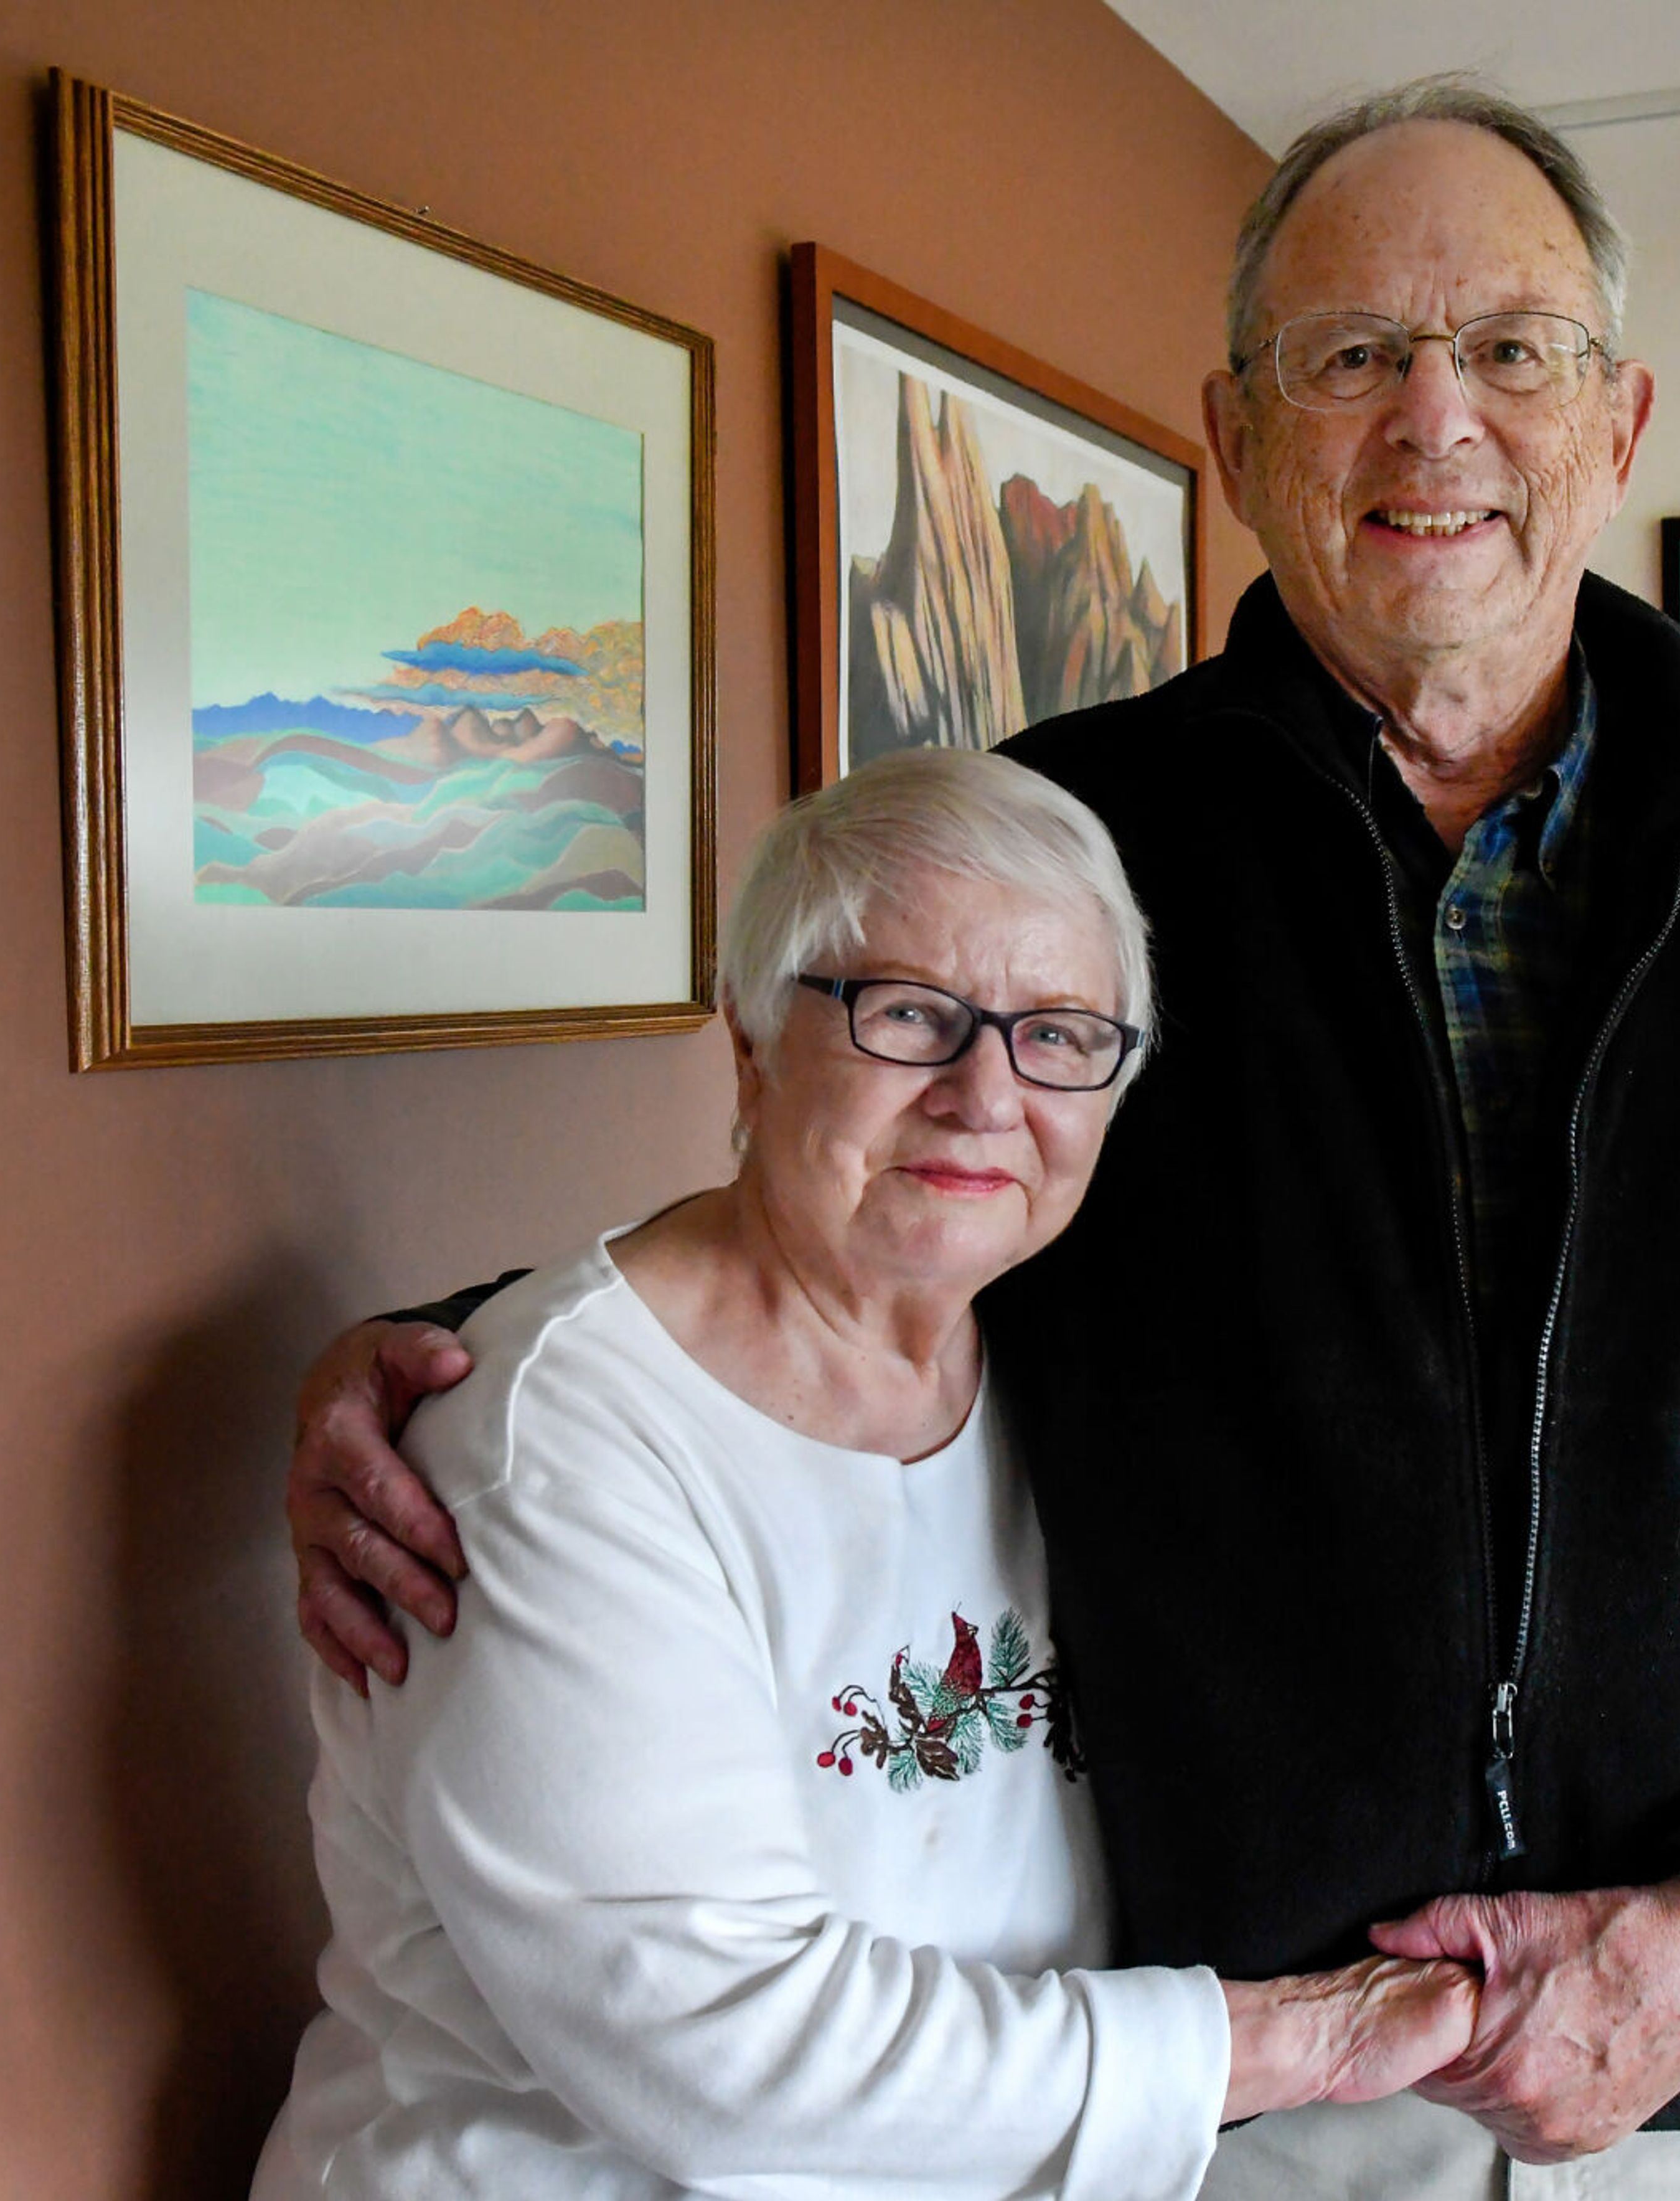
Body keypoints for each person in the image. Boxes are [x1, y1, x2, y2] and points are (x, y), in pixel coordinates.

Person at [288, 80, 1680, 2199]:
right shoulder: (1058, 849)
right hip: (1231, 2092)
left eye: (1513, 350)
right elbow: (863, 1193)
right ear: (1236, 438)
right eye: (1353, 357)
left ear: (1620, 422)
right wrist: (446, 1362)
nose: (1438, 422)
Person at [253, 749, 1478, 2200]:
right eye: (908, 1015)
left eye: (1062, 1035)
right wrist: (1296, 2046)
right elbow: (721, 2054)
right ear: (754, 1041)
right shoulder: (557, 1445)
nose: (986, 1096)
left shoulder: (1067, 1366)